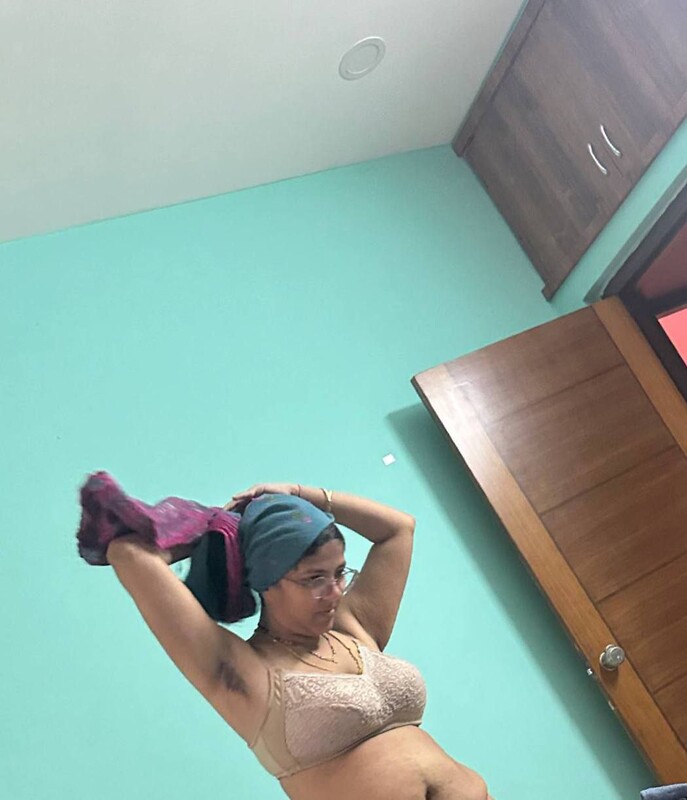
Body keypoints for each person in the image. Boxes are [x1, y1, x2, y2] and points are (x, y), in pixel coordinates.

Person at [106, 482, 493, 800]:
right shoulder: (245, 673)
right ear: (266, 579)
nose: (335, 591)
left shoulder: (352, 628)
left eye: (339, 572)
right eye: (314, 579)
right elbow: (128, 554)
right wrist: (216, 531)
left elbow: (399, 529)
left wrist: (300, 494)